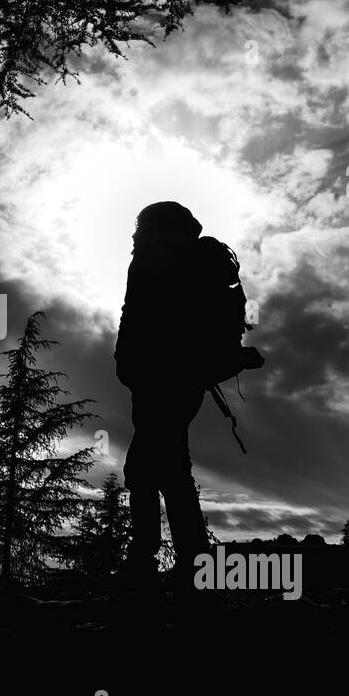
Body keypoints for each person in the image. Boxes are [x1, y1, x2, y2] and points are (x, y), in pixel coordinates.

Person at [113, 201, 261, 596]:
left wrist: (126, 363)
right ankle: (189, 565)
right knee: (164, 466)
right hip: (186, 380)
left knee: (151, 471)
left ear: (152, 227)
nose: (134, 233)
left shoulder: (151, 259)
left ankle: (155, 564)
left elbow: (138, 317)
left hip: (157, 379)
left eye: (139, 225)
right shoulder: (195, 259)